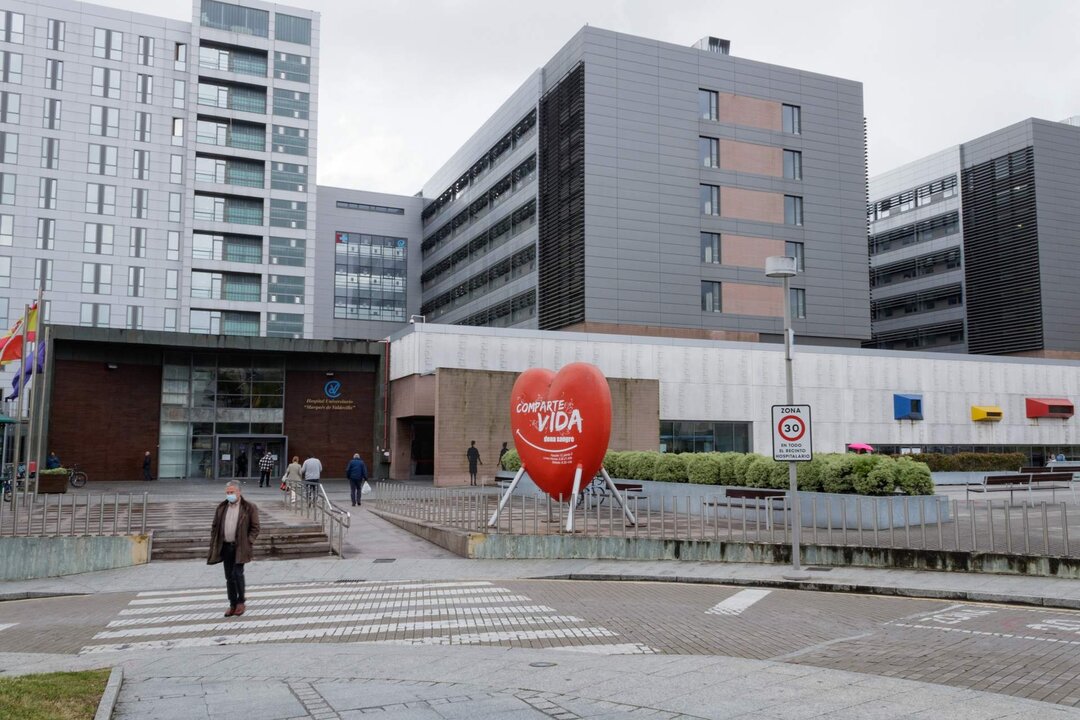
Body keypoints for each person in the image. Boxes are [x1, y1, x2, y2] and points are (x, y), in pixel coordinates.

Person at [207, 481, 260, 618]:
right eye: (228, 492)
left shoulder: (248, 507)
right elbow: (215, 526)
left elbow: (255, 527)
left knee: (237, 574)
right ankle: (232, 603)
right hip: (225, 546)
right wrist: (215, 540)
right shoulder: (222, 507)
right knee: (229, 577)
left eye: (232, 492)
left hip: (240, 546)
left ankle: (241, 602)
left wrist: (249, 541)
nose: (229, 495)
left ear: (239, 492)